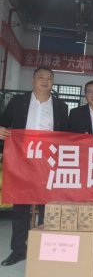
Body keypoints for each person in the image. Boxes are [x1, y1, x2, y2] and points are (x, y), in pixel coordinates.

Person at [0, 67, 69, 266]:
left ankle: (44, 248)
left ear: (53, 82)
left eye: (49, 78)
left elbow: (65, 135)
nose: (45, 81)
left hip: (48, 163)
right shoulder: (18, 102)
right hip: (21, 162)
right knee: (21, 206)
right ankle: (18, 250)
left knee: (47, 206)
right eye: (41, 77)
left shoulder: (61, 106)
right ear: (32, 80)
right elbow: (3, 123)